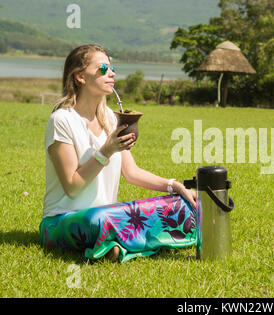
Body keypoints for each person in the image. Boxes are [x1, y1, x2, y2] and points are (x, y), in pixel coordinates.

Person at [40, 44, 197, 263]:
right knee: (101, 221)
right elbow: (72, 186)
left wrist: (175, 186)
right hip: (62, 221)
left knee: (179, 205)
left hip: (108, 215)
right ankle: (129, 242)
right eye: (103, 68)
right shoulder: (62, 121)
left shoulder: (110, 119)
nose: (112, 73)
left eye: (112, 67)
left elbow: (131, 172)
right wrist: (106, 151)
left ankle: (115, 245)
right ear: (80, 77)